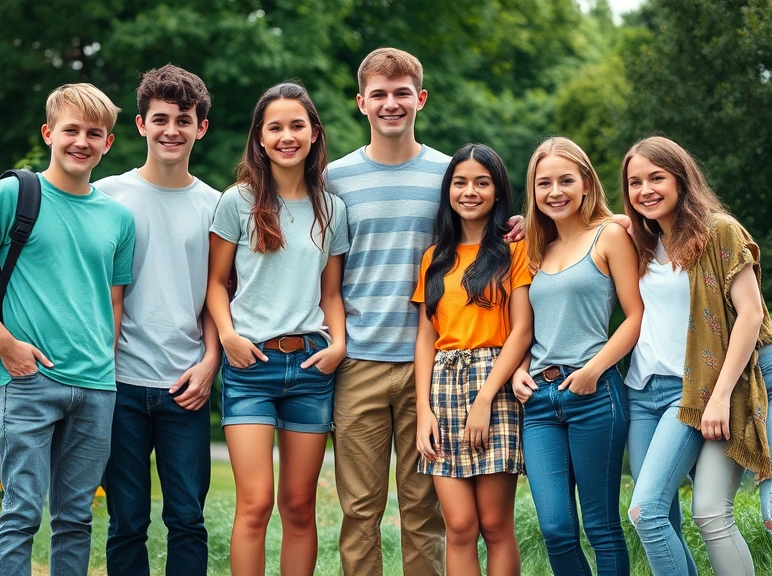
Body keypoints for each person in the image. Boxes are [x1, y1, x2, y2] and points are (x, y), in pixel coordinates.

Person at [326, 47, 524, 575]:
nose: (392, 104)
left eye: (402, 93)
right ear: (361, 102)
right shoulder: (333, 179)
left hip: (433, 369)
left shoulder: (450, 174)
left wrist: (524, 223)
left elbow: (488, 224)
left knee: (425, 511)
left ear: (421, 97)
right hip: (360, 362)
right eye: (380, 95)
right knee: (360, 508)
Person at [0, 83, 135, 576]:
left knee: (75, 519)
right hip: (28, 380)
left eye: (95, 133)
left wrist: (104, 365)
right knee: (22, 513)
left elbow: (113, 301)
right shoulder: (13, 194)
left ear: (108, 143)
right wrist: (5, 344)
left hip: (96, 387)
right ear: (49, 133)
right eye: (71, 130)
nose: (81, 142)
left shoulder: (118, 218)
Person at [623, 136, 772, 575]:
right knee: (709, 512)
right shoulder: (642, 240)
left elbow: (751, 315)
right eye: (635, 182)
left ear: (682, 178)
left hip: (770, 377)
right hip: (711, 386)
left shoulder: (719, 230)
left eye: (657, 177)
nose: (645, 190)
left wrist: (716, 397)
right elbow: (585, 220)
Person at [206, 82, 349, 576]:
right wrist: (228, 337)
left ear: (314, 133)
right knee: (255, 504)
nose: (287, 136)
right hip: (251, 365)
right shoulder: (236, 202)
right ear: (260, 139)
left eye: (296, 125)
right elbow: (215, 284)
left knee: (298, 506)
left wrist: (340, 346)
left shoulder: (332, 208)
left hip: (311, 366)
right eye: (276, 127)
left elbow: (331, 294)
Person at [95, 64, 220, 576]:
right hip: (119, 382)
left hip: (184, 383)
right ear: (141, 124)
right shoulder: (106, 196)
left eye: (184, 119)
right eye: (161, 118)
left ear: (201, 127)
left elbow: (220, 295)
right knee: (126, 520)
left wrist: (210, 361)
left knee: (188, 518)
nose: (172, 130)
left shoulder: (217, 206)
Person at [511, 137, 641, 575]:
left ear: (586, 182)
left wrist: (593, 370)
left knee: (601, 527)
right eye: (543, 183)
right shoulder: (534, 248)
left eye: (566, 180)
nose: (555, 191)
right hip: (539, 402)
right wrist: (518, 373)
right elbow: (527, 328)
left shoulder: (610, 235)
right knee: (555, 529)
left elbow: (634, 317)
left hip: (595, 393)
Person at [413, 143, 531, 575]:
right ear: (448, 191)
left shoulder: (514, 250)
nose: (470, 191)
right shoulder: (434, 258)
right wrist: (423, 409)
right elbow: (426, 338)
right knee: (459, 526)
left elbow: (522, 330)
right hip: (442, 387)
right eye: (460, 182)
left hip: (493, 384)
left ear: (498, 192)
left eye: (482, 182)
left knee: (496, 525)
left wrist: (484, 400)